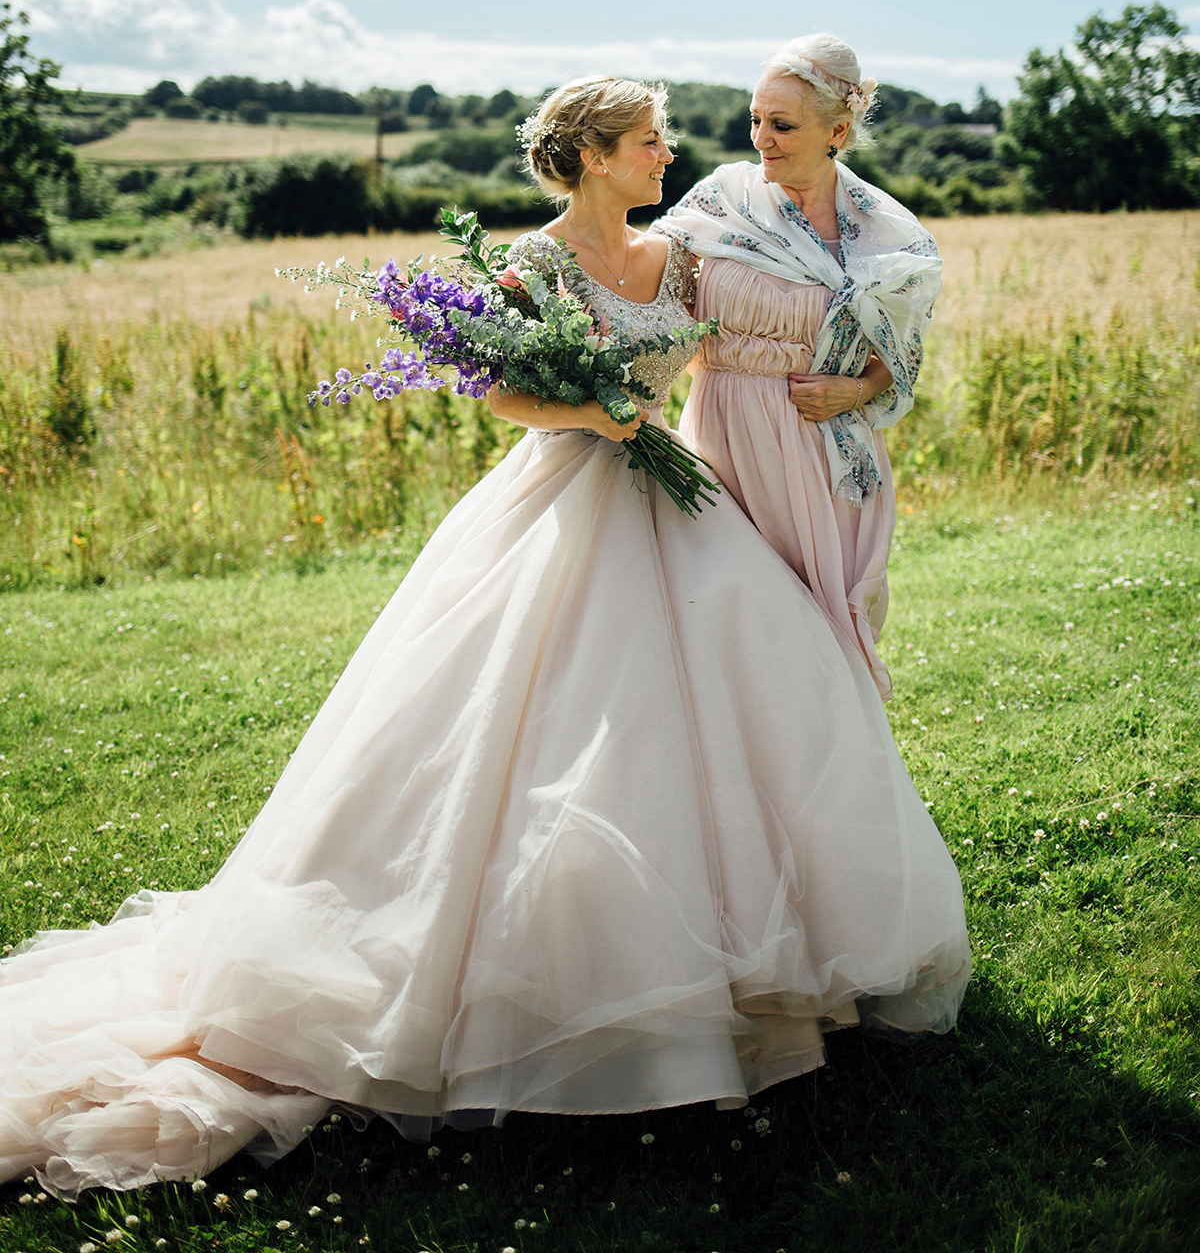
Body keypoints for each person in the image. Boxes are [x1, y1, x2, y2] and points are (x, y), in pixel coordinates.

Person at [0, 76, 968, 1201]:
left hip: (682, 500)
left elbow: (756, 322)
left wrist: (855, 382)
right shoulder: (530, 266)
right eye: (650, 144)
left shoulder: (686, 255)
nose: (672, 158)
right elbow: (499, 392)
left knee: (758, 688)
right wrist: (589, 415)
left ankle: (765, 965)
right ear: (597, 157)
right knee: (538, 725)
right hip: (565, 499)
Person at [659, 35, 941, 700]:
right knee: (734, 622)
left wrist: (858, 387)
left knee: (819, 630)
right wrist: (550, 275)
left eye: (781, 125)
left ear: (837, 131)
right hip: (724, 441)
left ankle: (836, 780)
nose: (761, 138)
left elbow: (900, 356)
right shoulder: (722, 199)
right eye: (755, 119)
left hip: (824, 452)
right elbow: (640, 277)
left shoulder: (887, 236)